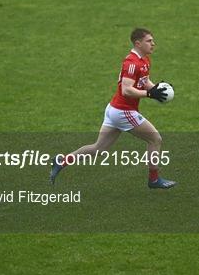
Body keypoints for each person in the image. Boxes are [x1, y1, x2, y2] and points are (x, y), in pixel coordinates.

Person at [50, 28, 177, 189]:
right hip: (124, 111)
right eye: (149, 41)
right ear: (138, 43)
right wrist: (150, 94)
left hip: (114, 109)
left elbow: (144, 81)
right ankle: (154, 179)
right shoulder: (131, 63)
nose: (153, 44)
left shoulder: (144, 60)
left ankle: (61, 161)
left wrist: (159, 89)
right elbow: (126, 90)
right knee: (155, 139)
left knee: (98, 149)